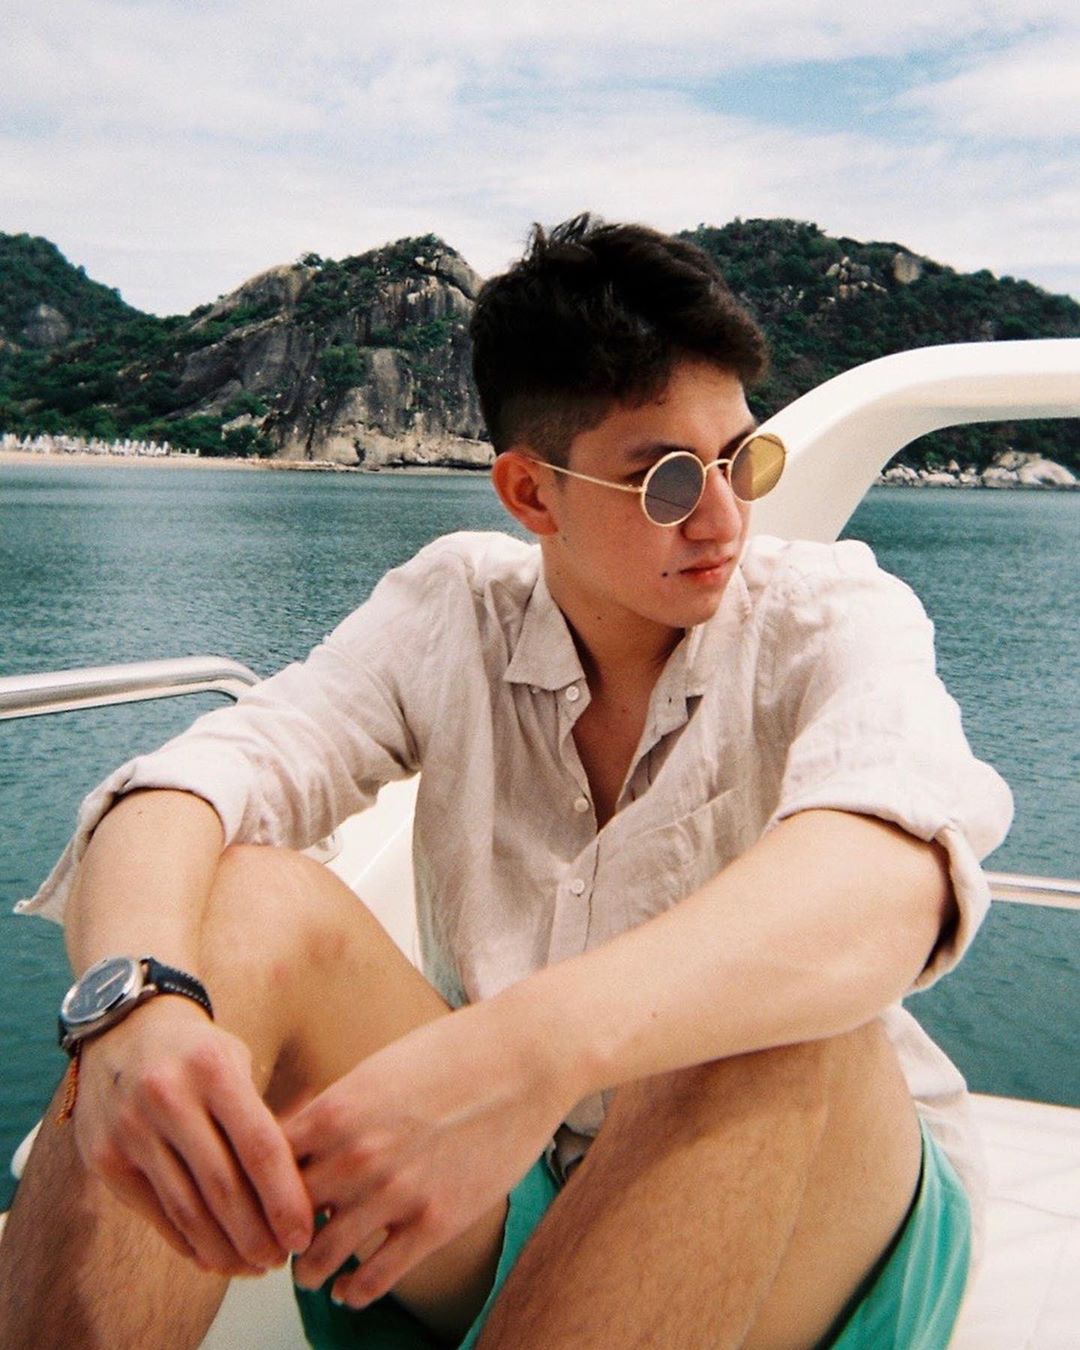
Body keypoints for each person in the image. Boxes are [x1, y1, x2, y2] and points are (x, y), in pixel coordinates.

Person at [0, 215, 1011, 1350]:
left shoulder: (832, 615)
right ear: (532, 496)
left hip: (815, 1214)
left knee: (764, 1020)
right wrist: (128, 1007)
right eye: (668, 480)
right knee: (246, 901)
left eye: (742, 460)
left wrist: (531, 1046)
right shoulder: (454, 611)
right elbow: (192, 783)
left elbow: (889, 874)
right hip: (522, 1188)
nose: (725, 518)